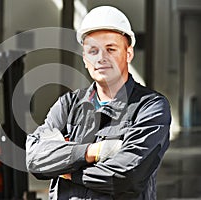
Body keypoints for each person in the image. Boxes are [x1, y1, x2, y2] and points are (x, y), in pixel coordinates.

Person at [26, 6, 171, 200]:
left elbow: (126, 176)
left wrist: (67, 170)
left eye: (111, 49)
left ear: (128, 54)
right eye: (93, 51)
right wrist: (93, 152)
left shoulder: (151, 107)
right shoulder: (68, 105)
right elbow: (35, 158)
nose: (101, 58)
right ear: (85, 58)